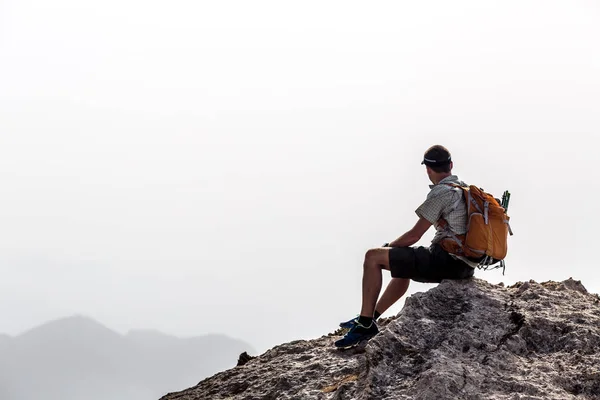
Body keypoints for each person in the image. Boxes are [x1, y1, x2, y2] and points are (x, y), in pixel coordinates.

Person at [335, 145, 476, 348]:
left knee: (373, 257)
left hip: (445, 261)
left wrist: (388, 247)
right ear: (451, 165)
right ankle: (371, 317)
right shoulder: (465, 189)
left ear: (427, 170)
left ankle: (364, 324)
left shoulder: (441, 193)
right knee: (403, 263)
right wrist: (395, 251)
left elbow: (414, 235)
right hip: (466, 266)